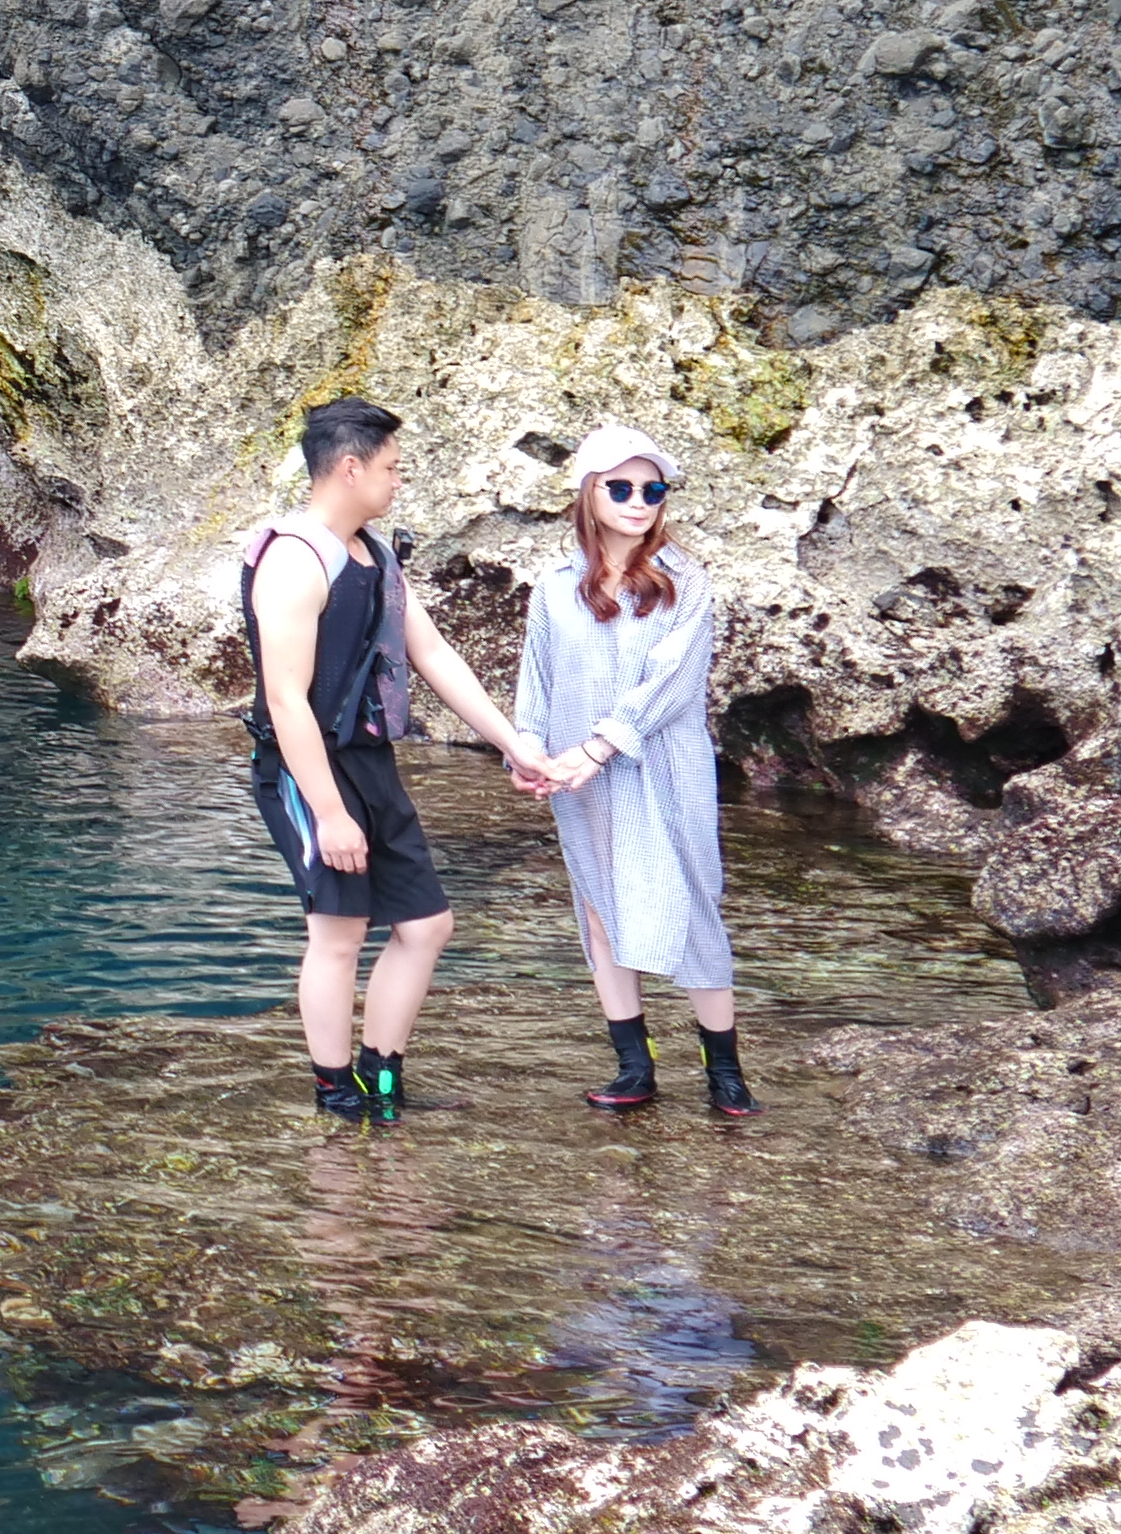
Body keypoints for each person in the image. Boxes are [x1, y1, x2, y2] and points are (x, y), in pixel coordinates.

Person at [238, 394, 565, 1117]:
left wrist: (513, 744)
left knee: (426, 925)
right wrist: (328, 814)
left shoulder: (375, 555)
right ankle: (335, 1091)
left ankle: (382, 1077)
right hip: (305, 768)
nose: (398, 481)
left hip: (369, 761)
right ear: (350, 468)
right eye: (392, 468)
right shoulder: (294, 561)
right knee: (339, 930)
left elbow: (433, 653)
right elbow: (286, 700)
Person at [517, 424, 749, 1116]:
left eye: (653, 489)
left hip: (663, 765)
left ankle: (725, 1072)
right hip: (576, 771)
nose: (639, 501)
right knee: (597, 903)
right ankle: (633, 1065)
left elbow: (672, 683)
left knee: (694, 896)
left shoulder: (687, 581)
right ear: (589, 493)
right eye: (621, 487)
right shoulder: (555, 587)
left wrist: (598, 747)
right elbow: (538, 679)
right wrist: (527, 749)